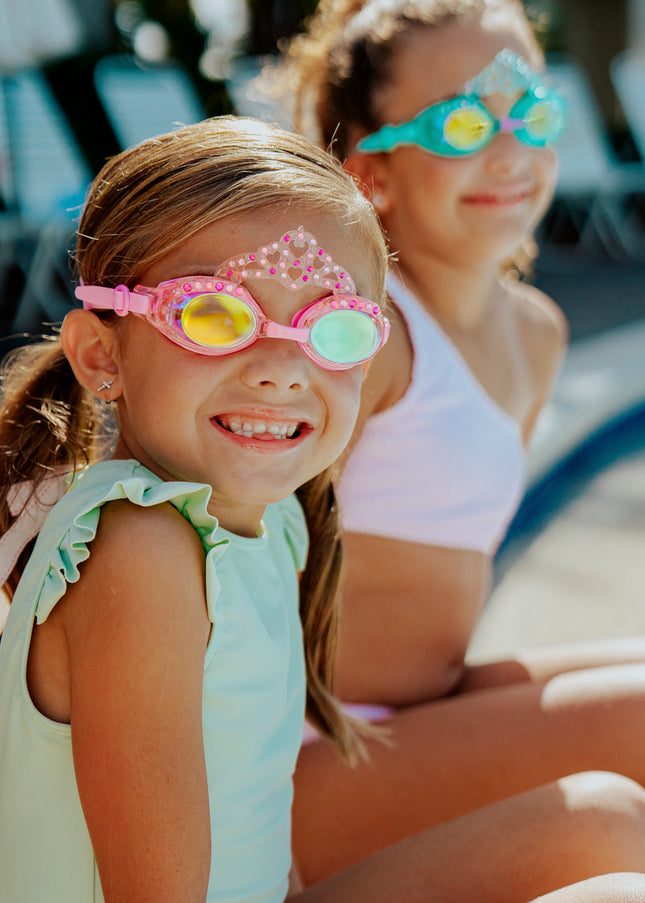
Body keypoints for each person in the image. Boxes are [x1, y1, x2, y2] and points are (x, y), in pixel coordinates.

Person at [2, 114, 645, 903]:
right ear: (102, 354)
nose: (279, 366)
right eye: (213, 315)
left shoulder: (275, 521)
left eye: (330, 327)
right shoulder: (142, 552)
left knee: (604, 814)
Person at [277, 0, 645, 885]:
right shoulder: (367, 343)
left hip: (419, 714)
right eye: (464, 122)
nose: (510, 148)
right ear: (372, 171)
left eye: (533, 111)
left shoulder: (534, 334)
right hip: (300, 753)